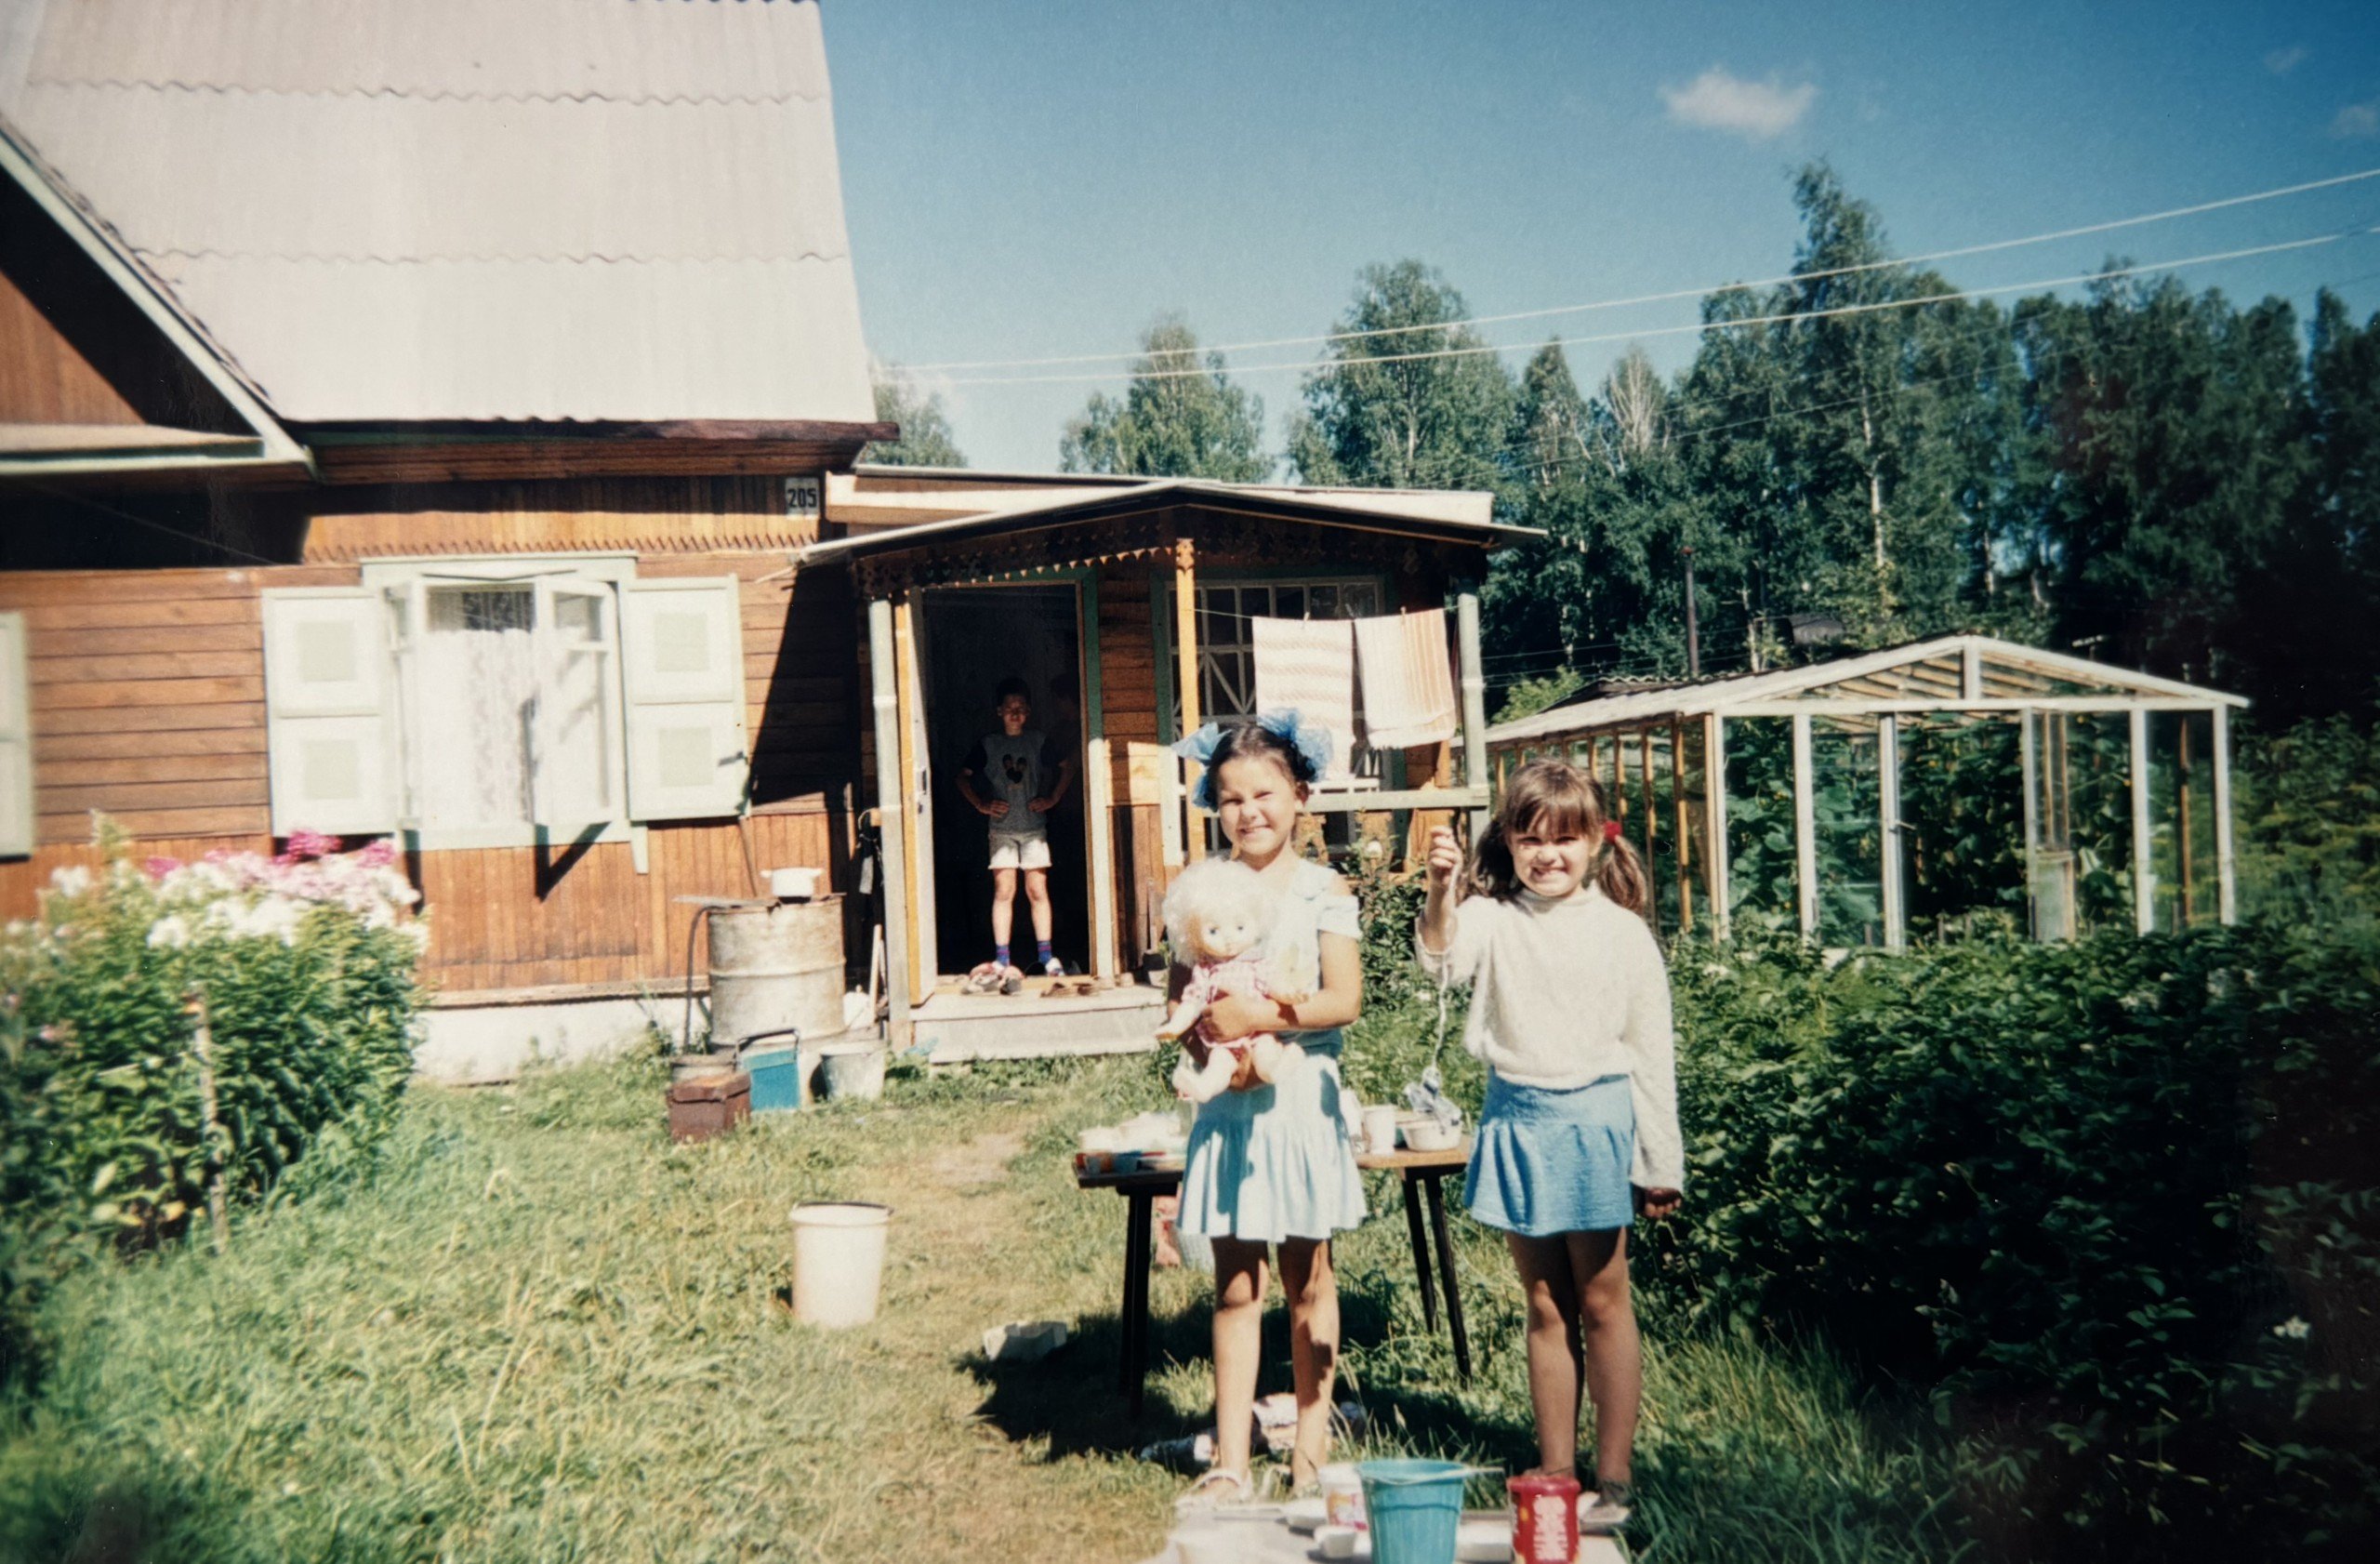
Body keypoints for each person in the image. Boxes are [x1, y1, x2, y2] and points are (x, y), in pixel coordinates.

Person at [1416, 758, 1683, 1532]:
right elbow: (1440, 959)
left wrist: (1660, 1163)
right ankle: (1558, 1471)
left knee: (1603, 1299)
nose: (1547, 856)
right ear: (1508, 843)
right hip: (1516, 1119)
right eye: (1530, 839)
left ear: (1596, 842)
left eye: (1564, 840)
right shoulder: (1493, 918)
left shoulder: (1624, 934)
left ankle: (1617, 1477)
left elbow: (1651, 1055)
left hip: (1597, 1123)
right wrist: (1440, 891)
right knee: (1543, 1305)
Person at [1170, 711, 1367, 1505]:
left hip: (1302, 1102)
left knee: (1308, 1279)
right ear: (1214, 808)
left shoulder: (1326, 889)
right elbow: (1183, 1005)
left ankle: (1311, 1454)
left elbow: (1345, 999)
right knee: (1235, 1285)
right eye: (1230, 798)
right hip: (1232, 1113)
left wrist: (1264, 1023)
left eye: (1264, 793)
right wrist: (1209, 1056)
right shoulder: (1203, 892)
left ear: (1301, 796)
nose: (1248, 812)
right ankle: (1232, 1460)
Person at [955, 676, 1075, 991]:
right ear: (999, 711)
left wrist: (1053, 798)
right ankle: (1002, 960)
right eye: (1010, 708)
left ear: (1029, 711)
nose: (1015, 713)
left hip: (1034, 828)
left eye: (1021, 708)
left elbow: (1068, 767)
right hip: (1002, 830)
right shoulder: (989, 744)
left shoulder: (1038, 741)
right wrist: (980, 804)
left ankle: (1047, 957)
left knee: (1037, 890)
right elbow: (962, 778)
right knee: (1004, 891)